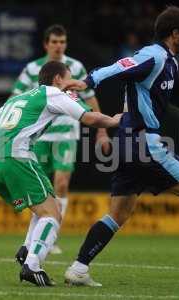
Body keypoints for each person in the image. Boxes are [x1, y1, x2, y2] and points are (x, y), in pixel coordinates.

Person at [63, 6, 179, 286]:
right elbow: (120, 66)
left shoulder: (169, 63)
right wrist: (87, 81)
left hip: (126, 144)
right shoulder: (153, 56)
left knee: (119, 213)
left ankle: (78, 268)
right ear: (175, 34)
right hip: (142, 142)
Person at [0, 61, 121, 286]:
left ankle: (27, 251)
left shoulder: (18, 98)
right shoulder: (53, 93)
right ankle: (32, 266)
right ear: (57, 79)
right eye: (69, 79)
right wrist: (113, 120)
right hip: (17, 157)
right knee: (52, 215)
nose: (72, 84)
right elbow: (89, 118)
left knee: (44, 205)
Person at [11, 24, 110, 256]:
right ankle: (39, 235)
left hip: (66, 133)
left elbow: (89, 97)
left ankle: (53, 234)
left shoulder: (75, 67)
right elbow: (17, 98)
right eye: (54, 42)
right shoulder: (32, 68)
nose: (58, 46)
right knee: (41, 188)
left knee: (62, 183)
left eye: (62, 42)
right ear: (46, 44)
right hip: (40, 135)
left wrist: (102, 131)